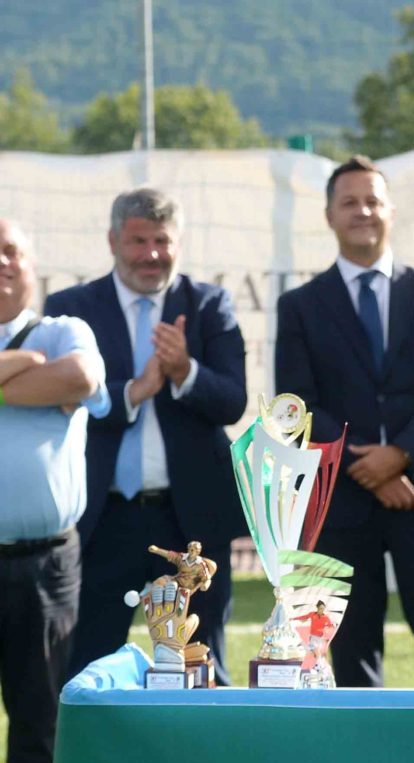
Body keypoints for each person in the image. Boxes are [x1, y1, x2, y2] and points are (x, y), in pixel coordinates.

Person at [275, 155, 414, 687]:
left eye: (372, 201)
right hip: (339, 505)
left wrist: (400, 456)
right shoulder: (300, 306)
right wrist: (367, 467)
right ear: (329, 216)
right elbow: (296, 404)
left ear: (391, 211)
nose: (362, 211)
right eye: (349, 202)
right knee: (350, 655)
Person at [46, 189, 247, 686]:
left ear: (179, 242)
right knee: (86, 669)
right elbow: (59, 402)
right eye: (138, 241)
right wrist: (132, 393)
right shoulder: (71, 310)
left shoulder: (208, 305)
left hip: (190, 524)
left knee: (201, 667)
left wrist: (185, 372)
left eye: (162, 241)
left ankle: (201, 742)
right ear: (113, 241)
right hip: (101, 520)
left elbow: (233, 401)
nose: (151, 254)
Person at [0, 219, 109, 763]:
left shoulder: (64, 330)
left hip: (44, 562)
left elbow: (81, 377)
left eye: (10, 250)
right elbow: (48, 385)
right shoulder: (36, 350)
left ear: (32, 262)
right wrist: (22, 374)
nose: (1, 262)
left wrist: (29, 373)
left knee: (39, 713)